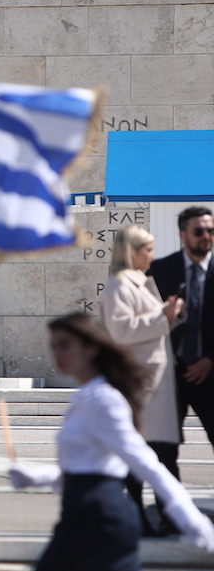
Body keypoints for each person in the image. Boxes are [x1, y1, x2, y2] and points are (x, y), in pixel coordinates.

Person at [8, 313, 214, 571]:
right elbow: (88, 466)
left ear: (91, 347)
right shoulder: (86, 396)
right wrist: (36, 476)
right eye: (53, 346)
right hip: (91, 515)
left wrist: (190, 519)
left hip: (95, 519)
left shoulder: (102, 399)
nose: (57, 354)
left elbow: (144, 461)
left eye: (65, 345)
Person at [101, 225, 186, 536]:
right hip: (141, 382)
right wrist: (163, 317)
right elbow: (122, 331)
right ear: (132, 251)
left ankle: (163, 516)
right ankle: (142, 517)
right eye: (147, 249)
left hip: (154, 381)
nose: (152, 255)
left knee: (159, 453)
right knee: (146, 453)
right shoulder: (119, 286)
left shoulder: (137, 282)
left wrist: (172, 315)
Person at [147, 206, 214, 461]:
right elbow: (141, 321)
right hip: (169, 376)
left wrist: (210, 360)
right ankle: (166, 502)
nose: (206, 236)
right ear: (183, 235)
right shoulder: (160, 272)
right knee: (163, 449)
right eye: (198, 231)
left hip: (210, 373)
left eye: (211, 230)